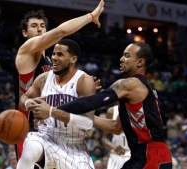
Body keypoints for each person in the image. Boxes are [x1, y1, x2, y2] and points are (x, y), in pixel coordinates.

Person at [34, 42, 173, 169]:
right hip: (146, 154)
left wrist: (52, 110)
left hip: (151, 154)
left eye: (127, 56)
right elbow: (116, 127)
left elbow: (94, 101)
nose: (121, 59)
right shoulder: (142, 86)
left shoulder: (131, 83)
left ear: (140, 62)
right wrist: (84, 117)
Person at [14, 0, 104, 164]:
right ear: (25, 33)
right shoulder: (26, 51)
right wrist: (91, 16)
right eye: (34, 26)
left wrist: (80, 89)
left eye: (42, 25)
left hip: (49, 128)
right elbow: (61, 31)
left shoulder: (49, 63)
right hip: (27, 126)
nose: (40, 28)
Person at [17, 39, 96, 169]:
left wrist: (51, 112)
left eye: (60, 54)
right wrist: (28, 102)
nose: (54, 58)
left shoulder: (84, 81)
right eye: (53, 54)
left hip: (74, 146)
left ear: (73, 59)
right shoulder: (43, 78)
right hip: (45, 137)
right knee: (30, 149)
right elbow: (23, 98)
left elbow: (88, 123)